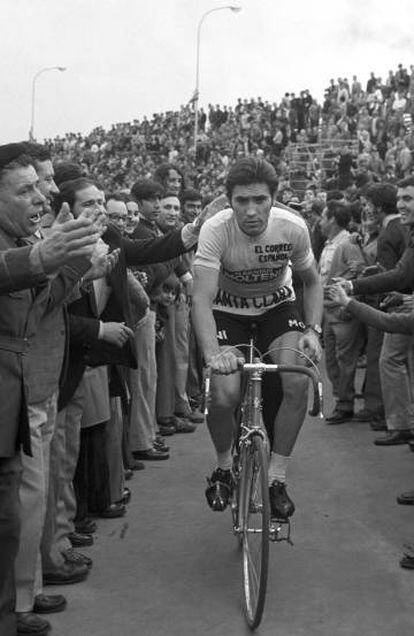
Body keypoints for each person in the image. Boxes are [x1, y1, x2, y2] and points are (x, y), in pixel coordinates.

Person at [192, 157, 323, 519]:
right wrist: (211, 353)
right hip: (226, 312)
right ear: (229, 201)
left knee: (296, 383)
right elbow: (200, 297)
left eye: (260, 200)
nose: (251, 210)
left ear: (273, 199)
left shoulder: (292, 226)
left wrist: (313, 329)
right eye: (241, 201)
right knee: (224, 394)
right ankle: (222, 467)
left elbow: (311, 281)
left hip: (276, 311)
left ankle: (276, 479)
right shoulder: (216, 229)